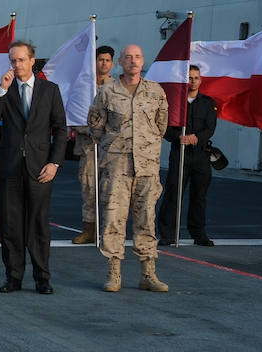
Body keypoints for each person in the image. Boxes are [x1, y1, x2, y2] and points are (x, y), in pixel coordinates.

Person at [0, 40, 68, 294]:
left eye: (21, 60)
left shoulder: (49, 90)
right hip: (9, 168)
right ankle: (13, 277)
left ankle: (43, 278)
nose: (16, 65)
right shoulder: (4, 90)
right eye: (13, 60)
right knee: (10, 227)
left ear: (32, 61)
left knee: (39, 226)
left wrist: (54, 162)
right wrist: (1, 90)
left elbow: (61, 129)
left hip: (40, 169)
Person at [87, 43, 170, 293]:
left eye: (138, 57)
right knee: (113, 219)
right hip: (117, 167)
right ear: (120, 62)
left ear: (143, 61)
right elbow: (96, 127)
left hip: (147, 167)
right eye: (128, 57)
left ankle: (148, 274)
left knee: (146, 219)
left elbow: (162, 126)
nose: (134, 61)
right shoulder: (107, 91)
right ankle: (114, 272)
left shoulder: (155, 92)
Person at [158, 64, 217, 247]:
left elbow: (210, 128)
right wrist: (178, 137)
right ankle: (167, 234)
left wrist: (196, 138)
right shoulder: (175, 103)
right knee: (173, 193)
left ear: (201, 80)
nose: (193, 81)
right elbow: (165, 127)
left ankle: (199, 233)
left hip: (200, 154)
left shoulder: (208, 103)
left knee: (199, 195)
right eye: (190, 78)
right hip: (179, 153)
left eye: (196, 78)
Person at [71, 46, 115, 244]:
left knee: (111, 191)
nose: (103, 63)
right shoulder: (82, 86)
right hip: (89, 146)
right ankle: (89, 229)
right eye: (100, 59)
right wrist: (89, 131)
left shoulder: (118, 88)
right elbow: (73, 114)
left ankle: (109, 232)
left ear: (112, 64)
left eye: (107, 60)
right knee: (89, 189)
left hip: (111, 148)